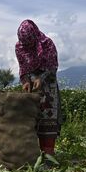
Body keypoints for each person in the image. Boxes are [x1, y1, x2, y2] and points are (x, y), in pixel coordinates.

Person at [15, 19, 62, 156]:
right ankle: (31, 152)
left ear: (35, 36)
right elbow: (22, 68)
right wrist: (25, 81)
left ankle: (48, 154)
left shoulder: (47, 44)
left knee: (47, 119)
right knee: (30, 118)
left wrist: (41, 78)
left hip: (48, 87)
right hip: (31, 88)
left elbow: (53, 66)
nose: (27, 46)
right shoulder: (19, 47)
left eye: (30, 43)